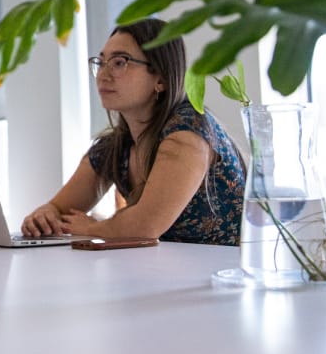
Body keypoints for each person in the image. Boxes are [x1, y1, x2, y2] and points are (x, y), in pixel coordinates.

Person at [21, 18, 245, 245]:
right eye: (101, 62)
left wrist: (92, 227)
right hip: (167, 273)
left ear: (160, 78)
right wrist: (44, 216)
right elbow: (60, 211)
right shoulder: (114, 147)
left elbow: (145, 226)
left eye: (119, 62)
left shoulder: (189, 129)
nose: (103, 75)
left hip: (224, 275)